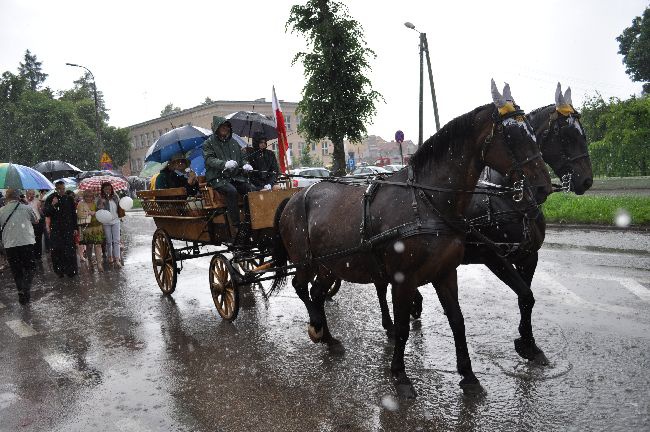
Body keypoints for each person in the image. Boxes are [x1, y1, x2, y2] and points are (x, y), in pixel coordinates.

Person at [203, 116, 256, 241]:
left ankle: (249, 221)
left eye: (227, 126)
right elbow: (209, 159)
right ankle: (236, 225)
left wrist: (246, 164)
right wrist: (224, 164)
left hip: (235, 177)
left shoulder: (233, 143)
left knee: (251, 189)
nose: (225, 129)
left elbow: (242, 158)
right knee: (231, 191)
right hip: (218, 178)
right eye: (222, 126)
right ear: (216, 128)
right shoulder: (208, 143)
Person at [0, 188, 38, 304]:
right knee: (30, 267)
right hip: (26, 242)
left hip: (10, 244)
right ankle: (25, 288)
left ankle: (22, 293)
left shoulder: (1, 210)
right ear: (19, 197)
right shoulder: (26, 208)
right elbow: (36, 220)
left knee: (17, 270)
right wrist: (25, 204)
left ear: (7, 198)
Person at [44, 180, 78, 277]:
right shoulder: (50, 198)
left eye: (63, 189)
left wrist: (75, 227)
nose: (62, 191)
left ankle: (71, 270)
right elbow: (46, 212)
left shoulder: (69, 199)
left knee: (69, 250)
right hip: (56, 229)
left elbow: (73, 214)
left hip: (68, 228)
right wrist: (53, 205)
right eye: (60, 189)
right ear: (56, 189)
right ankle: (60, 270)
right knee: (57, 250)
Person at [96, 182, 123, 269]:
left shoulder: (115, 197)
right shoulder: (100, 198)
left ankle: (117, 259)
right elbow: (98, 210)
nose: (108, 190)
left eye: (109, 189)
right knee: (108, 241)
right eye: (106, 189)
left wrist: (121, 215)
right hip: (106, 222)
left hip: (116, 220)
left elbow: (120, 206)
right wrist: (101, 203)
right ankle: (110, 256)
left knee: (117, 241)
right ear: (103, 190)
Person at [77, 190, 105, 272]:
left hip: (97, 226)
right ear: (84, 197)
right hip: (87, 227)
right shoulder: (81, 204)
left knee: (98, 245)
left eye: (90, 196)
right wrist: (88, 213)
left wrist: (96, 211)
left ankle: (99, 264)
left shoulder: (96, 202)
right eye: (87, 196)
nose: (89, 198)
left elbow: (101, 211)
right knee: (89, 246)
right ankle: (90, 261)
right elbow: (79, 215)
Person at [25, 190, 44, 260]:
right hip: (28, 224)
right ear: (26, 194)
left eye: (33, 194)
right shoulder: (23, 202)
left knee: (38, 240)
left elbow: (42, 214)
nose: (32, 195)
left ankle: (38, 256)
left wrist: (40, 208)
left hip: (38, 223)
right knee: (30, 240)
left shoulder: (37, 201)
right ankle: (31, 256)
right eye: (30, 194)